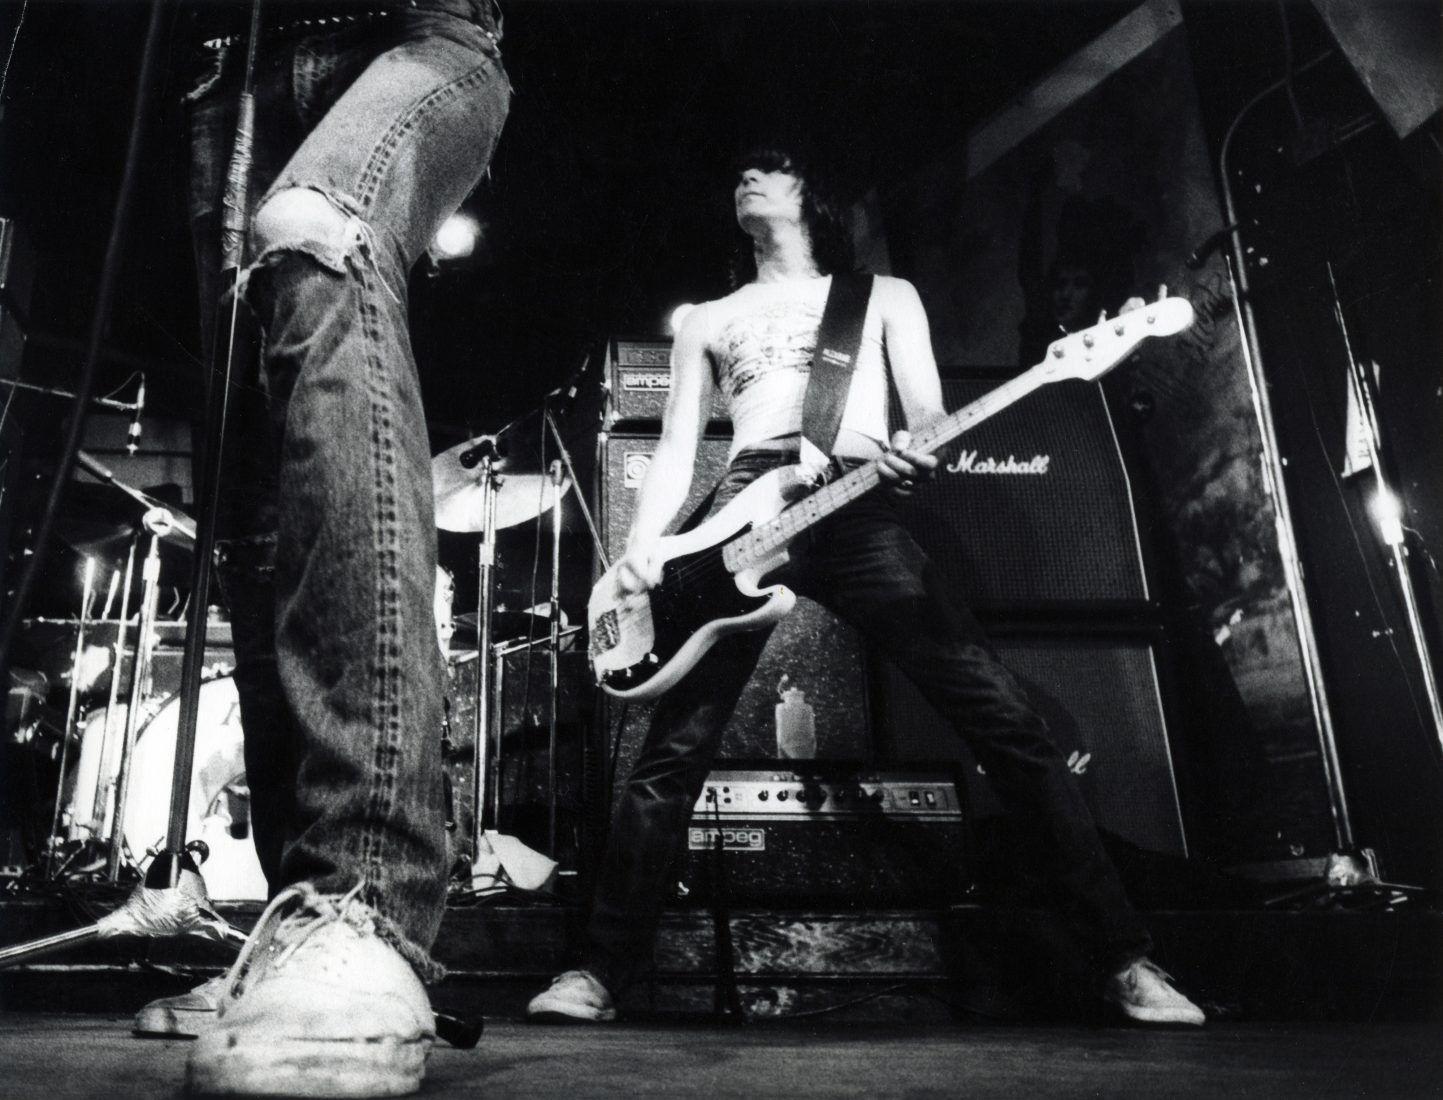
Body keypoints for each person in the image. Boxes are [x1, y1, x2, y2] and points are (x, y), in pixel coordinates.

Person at [526, 142, 1205, 1028]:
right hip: (742, 512)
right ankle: (599, 975)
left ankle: (1125, 962)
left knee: (1004, 722)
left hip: (857, 504)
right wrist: (644, 548)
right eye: (740, 171)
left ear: (813, 194)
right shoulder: (706, 316)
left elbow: (925, 413)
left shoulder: (882, 297)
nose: (746, 177)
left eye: (768, 168)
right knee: (669, 754)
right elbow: (681, 443)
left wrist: (920, 448)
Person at [129, 2, 511, 1096]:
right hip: (231, 69)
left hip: (417, 34)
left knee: (313, 233)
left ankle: (370, 896)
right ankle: (301, 928)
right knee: (252, 483)